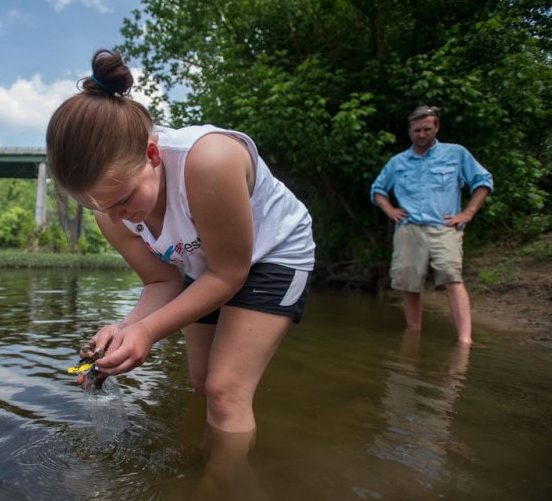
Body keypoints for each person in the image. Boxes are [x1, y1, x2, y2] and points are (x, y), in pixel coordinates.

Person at [46, 49, 315, 437]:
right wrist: (125, 330)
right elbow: (163, 282)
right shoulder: (109, 213)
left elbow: (229, 273)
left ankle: (223, 495)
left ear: (153, 154)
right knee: (202, 384)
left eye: (123, 200)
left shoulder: (209, 162)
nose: (118, 219)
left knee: (225, 393)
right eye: (100, 208)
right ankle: (196, 477)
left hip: (273, 253)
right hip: (205, 264)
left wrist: (149, 332)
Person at [370, 105, 493, 344]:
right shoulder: (398, 162)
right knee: (409, 283)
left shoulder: (455, 154)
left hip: (445, 227)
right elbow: (377, 190)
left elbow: (483, 181)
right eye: (417, 130)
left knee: (452, 278)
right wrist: (390, 210)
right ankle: (413, 333)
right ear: (410, 131)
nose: (422, 134)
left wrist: (467, 213)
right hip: (409, 227)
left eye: (427, 129)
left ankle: (465, 340)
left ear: (436, 127)